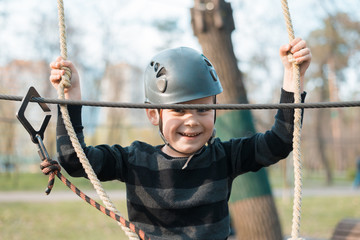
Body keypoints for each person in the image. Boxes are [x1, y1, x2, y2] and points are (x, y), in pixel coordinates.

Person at [49, 38, 311, 240]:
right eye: (179, 109)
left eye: (203, 109)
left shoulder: (224, 157)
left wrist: (292, 76)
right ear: (153, 114)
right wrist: (72, 96)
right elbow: (74, 160)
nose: (192, 120)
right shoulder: (135, 160)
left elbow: (280, 141)